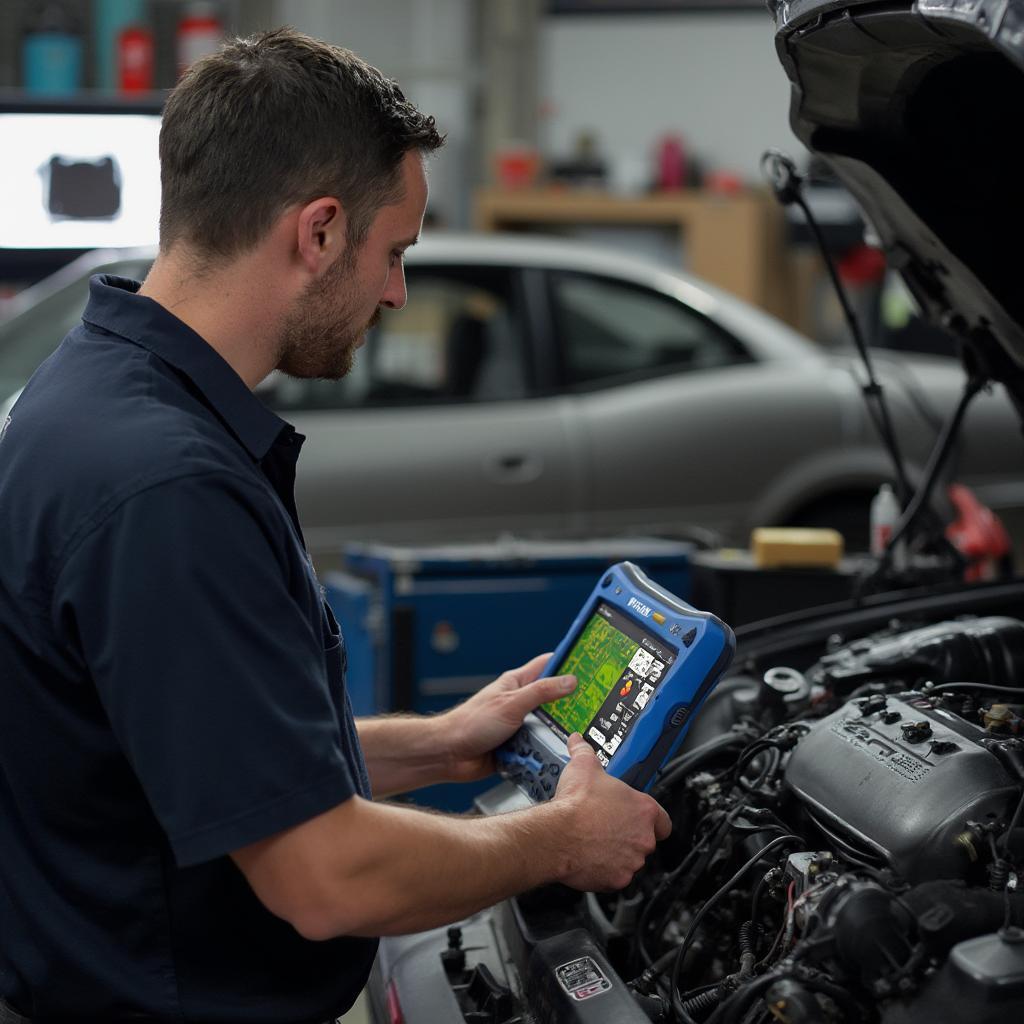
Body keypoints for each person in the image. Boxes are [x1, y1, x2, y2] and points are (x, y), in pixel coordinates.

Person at [0, 28, 671, 1024]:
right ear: (318, 233)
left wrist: (437, 744)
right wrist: (563, 838)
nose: (399, 291)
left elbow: (205, 751)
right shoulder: (166, 487)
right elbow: (325, 876)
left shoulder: (89, 391)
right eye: (393, 252)